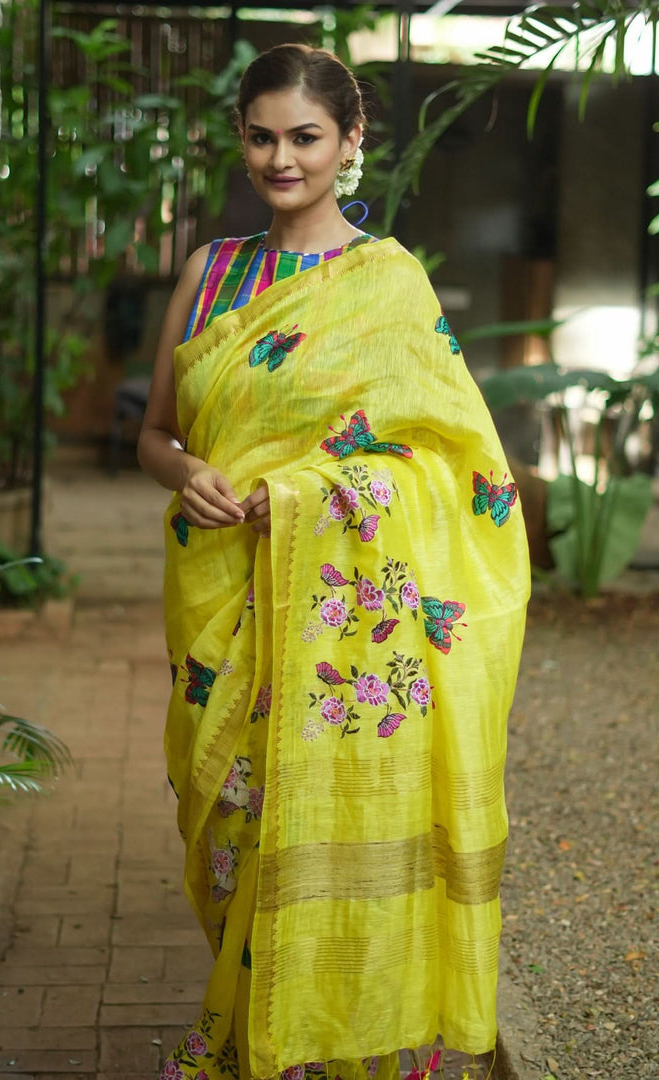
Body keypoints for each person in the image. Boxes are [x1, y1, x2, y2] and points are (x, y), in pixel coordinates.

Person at [137, 43, 530, 1080]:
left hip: (335, 622)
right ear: (241, 139)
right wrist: (186, 472)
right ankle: (259, 1034)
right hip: (223, 597)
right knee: (235, 833)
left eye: (306, 137)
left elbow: (460, 468)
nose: (283, 159)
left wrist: (309, 496)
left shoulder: (389, 286)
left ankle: (326, 1051)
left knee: (329, 828)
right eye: (263, 136)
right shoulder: (211, 274)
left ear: (350, 141)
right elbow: (156, 434)